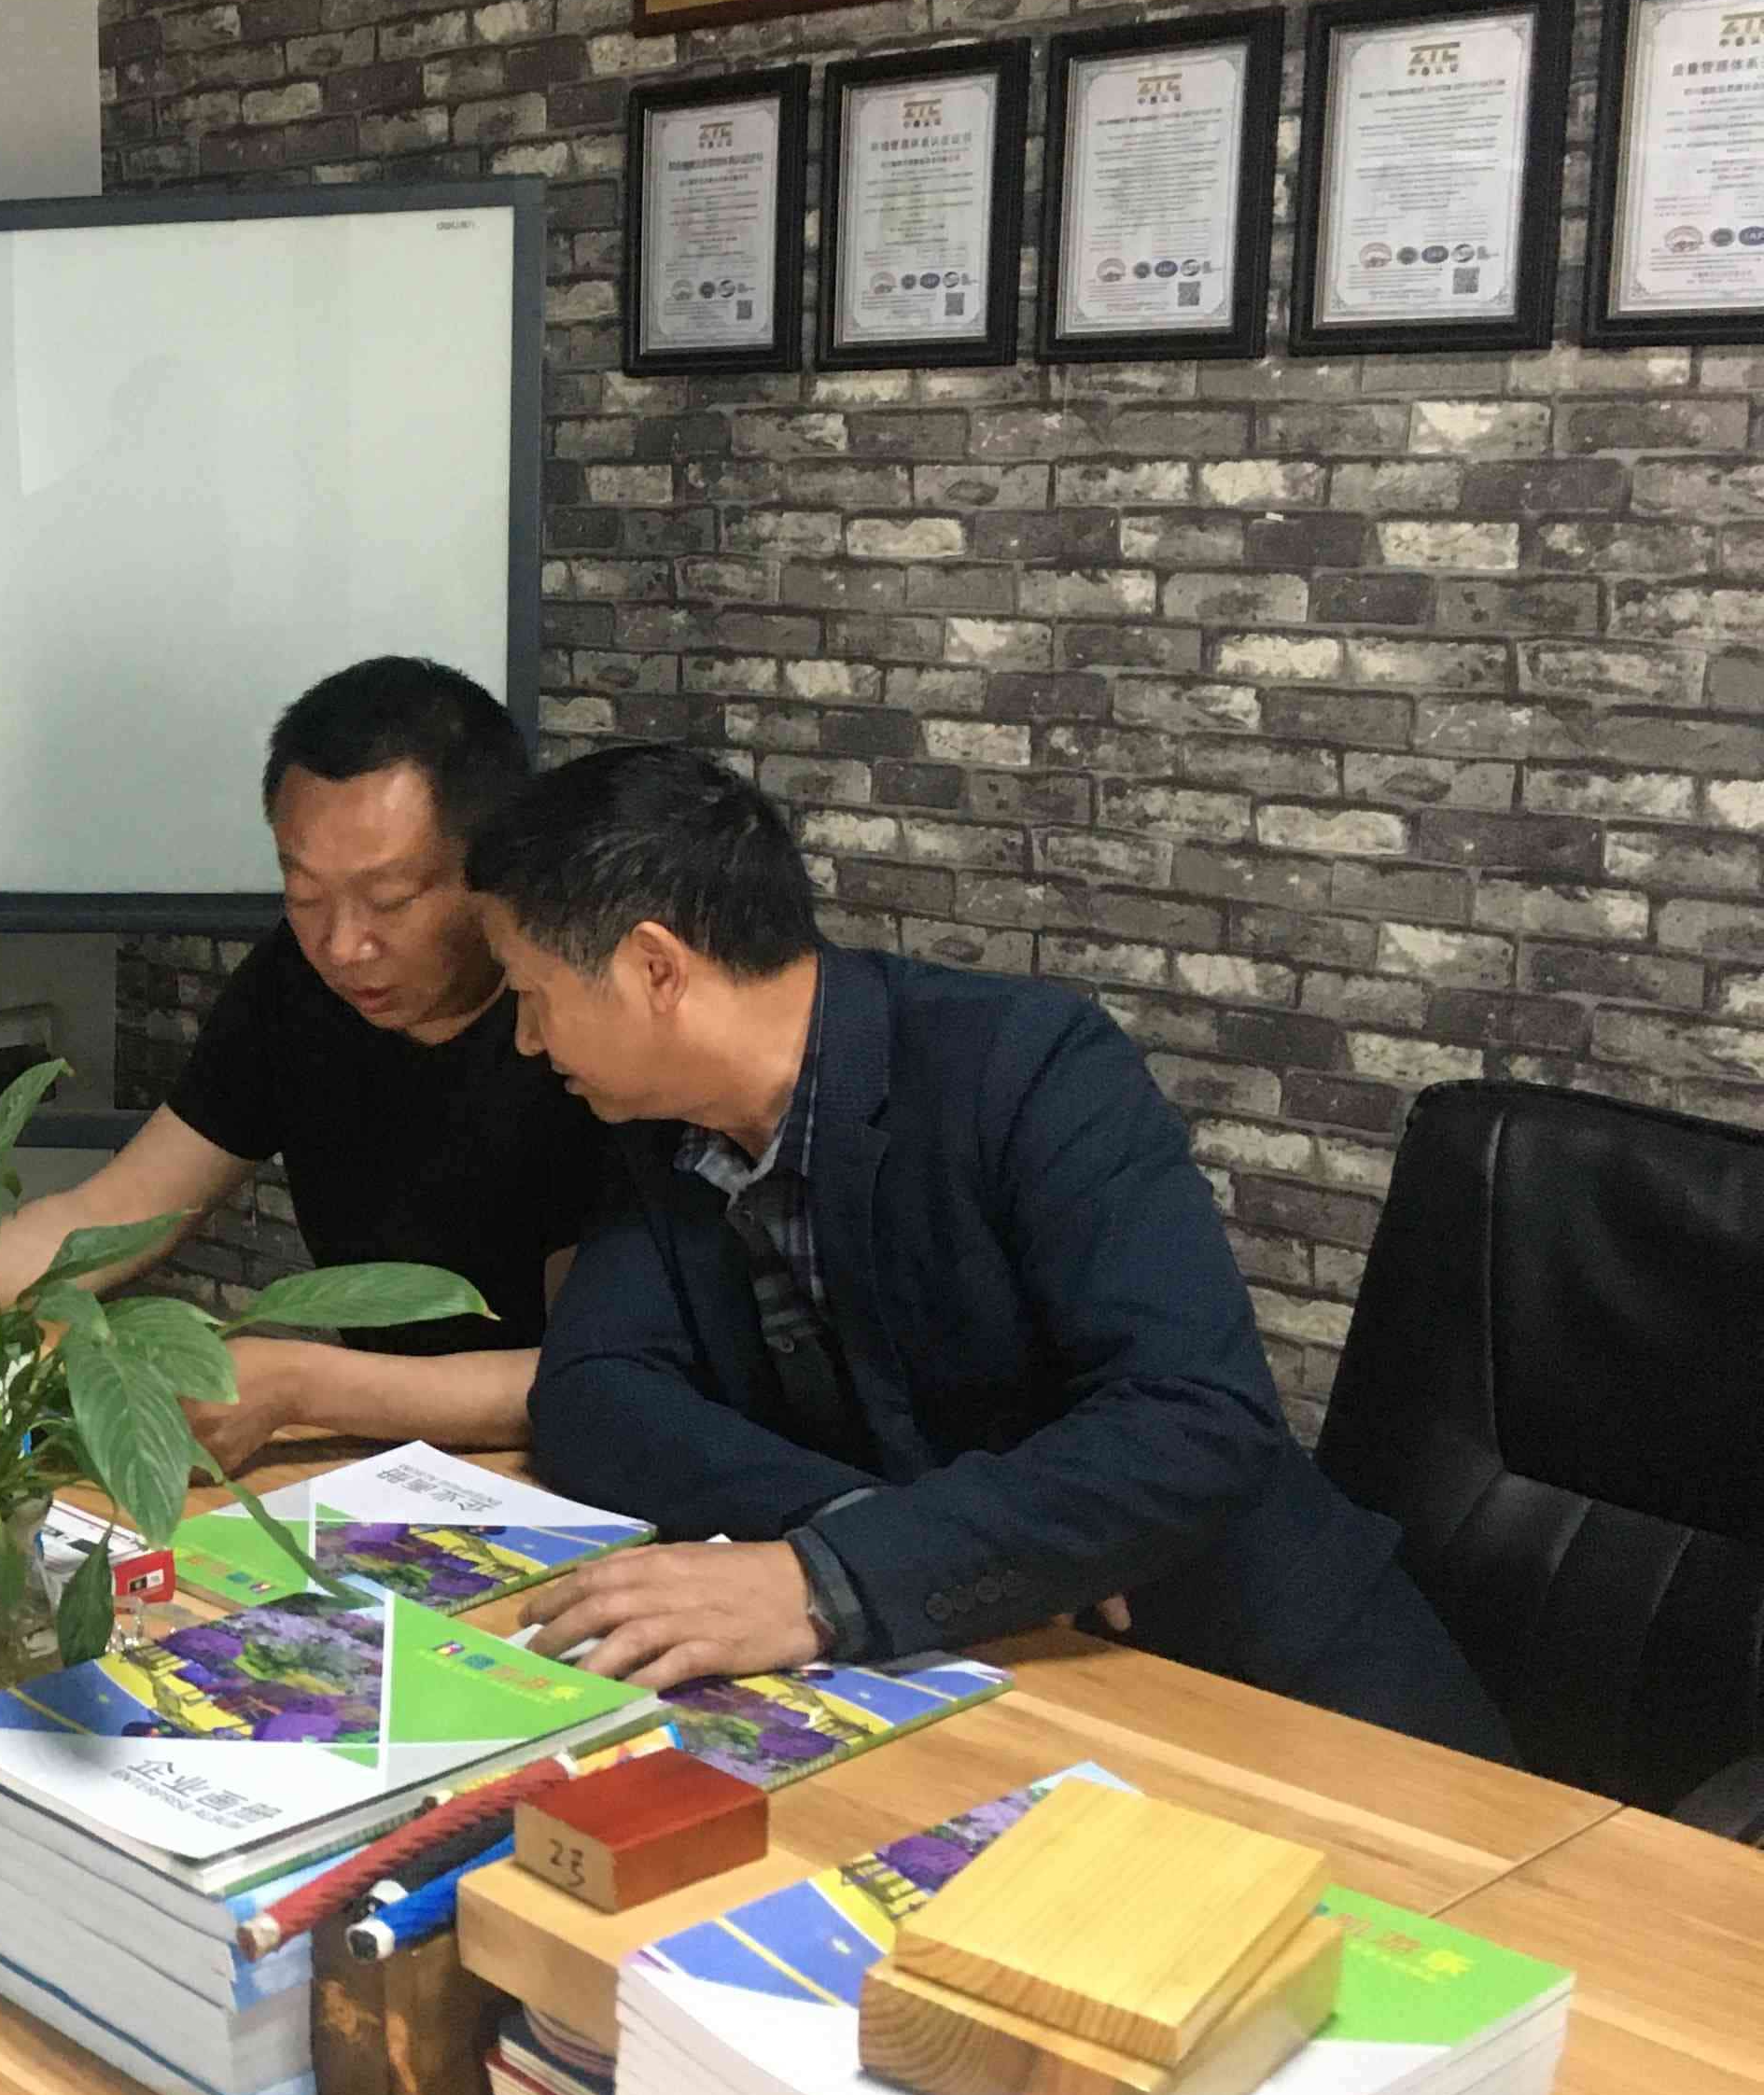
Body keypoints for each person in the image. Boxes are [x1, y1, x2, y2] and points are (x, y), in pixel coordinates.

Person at [477, 743, 1512, 1757]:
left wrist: (829, 1579)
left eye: (532, 993)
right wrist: (866, 1541)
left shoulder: (1027, 1064)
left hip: (1261, 1671)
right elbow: (592, 1393)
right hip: (985, 1678)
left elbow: (1196, 1417)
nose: (526, 1039)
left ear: (655, 968)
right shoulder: (660, 1124)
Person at [0, 658, 607, 1466]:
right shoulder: (296, 984)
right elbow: (114, 1213)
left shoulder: (581, 1034)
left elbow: (593, 1374)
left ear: (493, 870)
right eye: (306, 895)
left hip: (553, 1477)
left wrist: (296, 1383)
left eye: (388, 901)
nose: (342, 946)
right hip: (376, 1459)